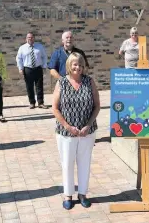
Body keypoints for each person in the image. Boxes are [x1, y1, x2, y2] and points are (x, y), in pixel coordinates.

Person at [51, 52, 100, 210]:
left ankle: (83, 194)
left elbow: (97, 105)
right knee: (67, 163)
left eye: (80, 64)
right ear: (69, 66)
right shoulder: (62, 83)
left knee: (84, 162)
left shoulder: (89, 81)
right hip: (66, 133)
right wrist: (67, 126)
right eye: (74, 64)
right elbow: (55, 108)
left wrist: (88, 125)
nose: (77, 67)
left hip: (87, 131)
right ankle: (68, 194)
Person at [16, 32, 48, 109]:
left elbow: (44, 57)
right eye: (28, 37)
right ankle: (32, 102)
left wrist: (44, 66)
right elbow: (19, 58)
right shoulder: (22, 48)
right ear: (26, 39)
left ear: (34, 38)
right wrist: (20, 68)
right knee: (29, 86)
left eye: (31, 37)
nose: (30, 39)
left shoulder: (39, 46)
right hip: (27, 69)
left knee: (39, 86)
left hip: (38, 68)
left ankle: (40, 102)